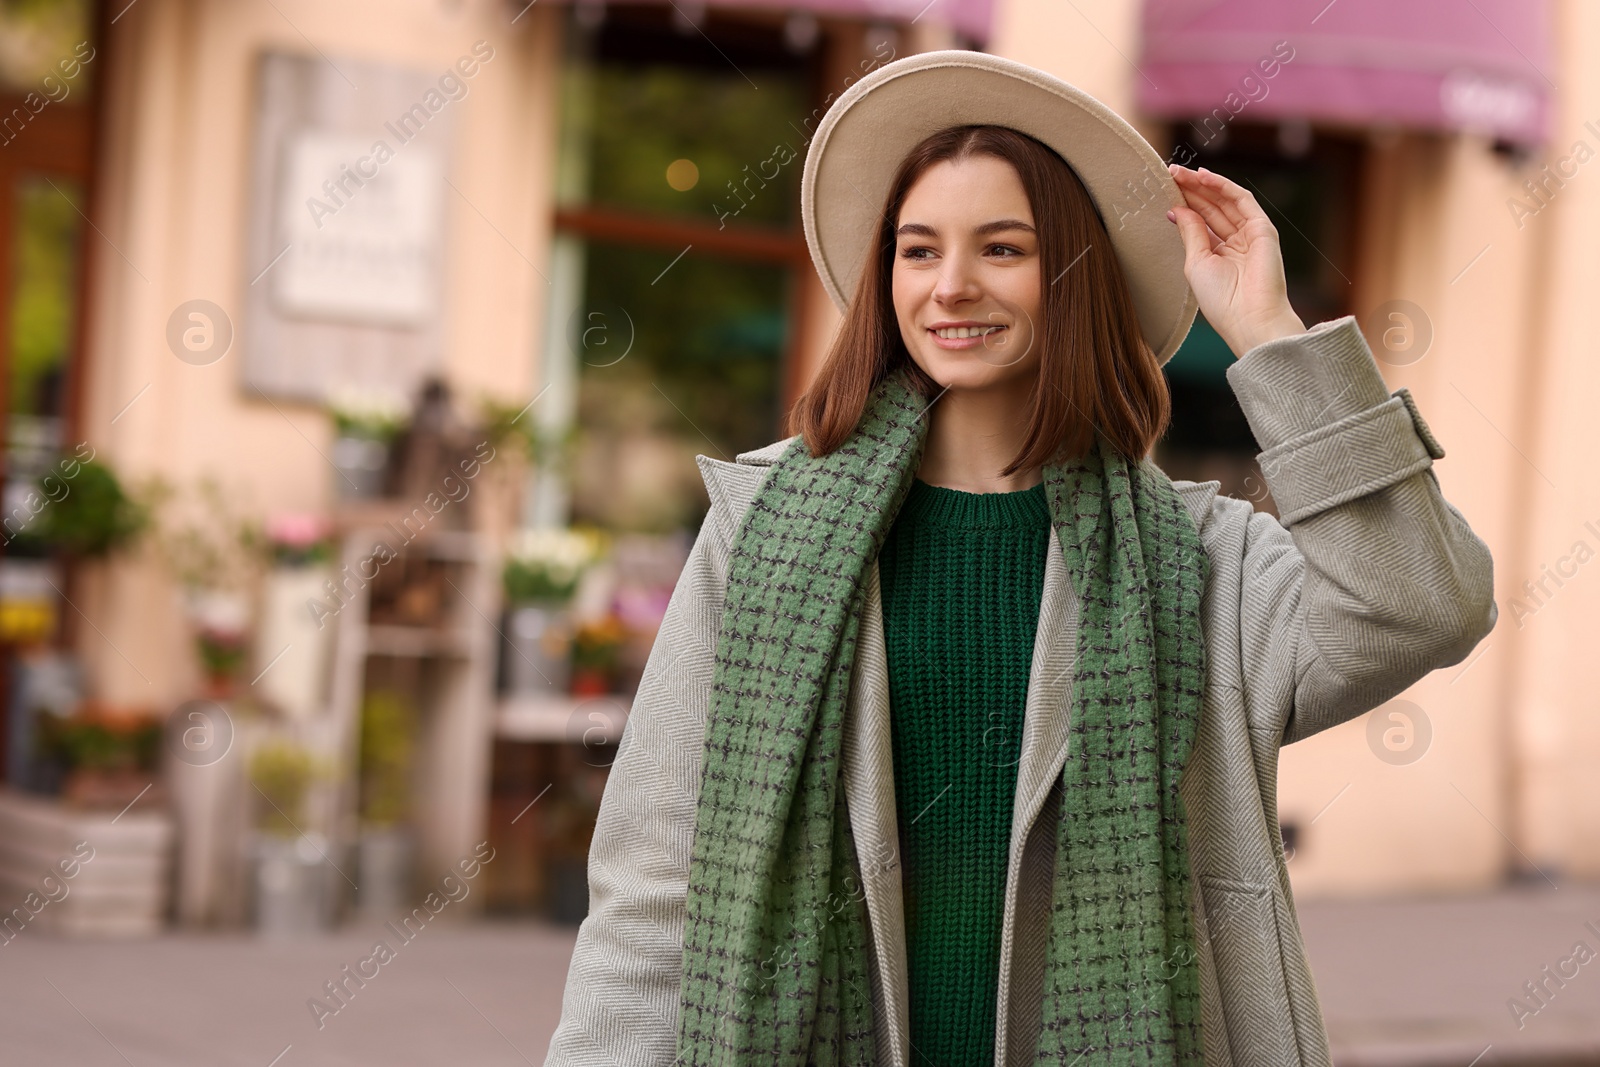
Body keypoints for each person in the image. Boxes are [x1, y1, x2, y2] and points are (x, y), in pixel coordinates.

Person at [543, 50, 1497, 1067]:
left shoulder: (1200, 562)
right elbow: (656, 886)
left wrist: (1270, 335)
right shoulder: (763, 530)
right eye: (917, 250)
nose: (950, 285)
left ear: (1073, 275)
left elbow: (1422, 606)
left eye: (1001, 248)